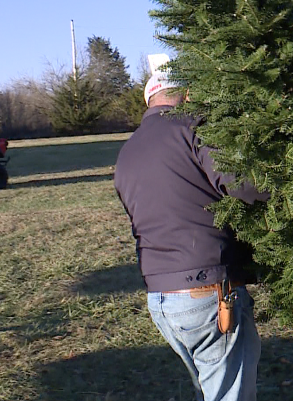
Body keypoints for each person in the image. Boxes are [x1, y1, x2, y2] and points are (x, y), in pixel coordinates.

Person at [114, 63, 266, 401]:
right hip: (208, 293)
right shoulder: (194, 128)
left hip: (162, 299)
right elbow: (243, 186)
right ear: (187, 95)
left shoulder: (127, 152)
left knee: (209, 387)